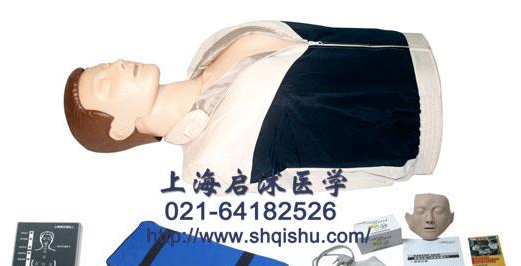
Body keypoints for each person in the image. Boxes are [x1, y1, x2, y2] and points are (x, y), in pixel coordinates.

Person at [64, 21, 442, 191]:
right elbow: (312, 178)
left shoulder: (208, 50)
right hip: (424, 127)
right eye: (105, 83)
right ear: (120, 128)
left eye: (106, 64)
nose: (117, 65)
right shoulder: (208, 163)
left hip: (412, 49)